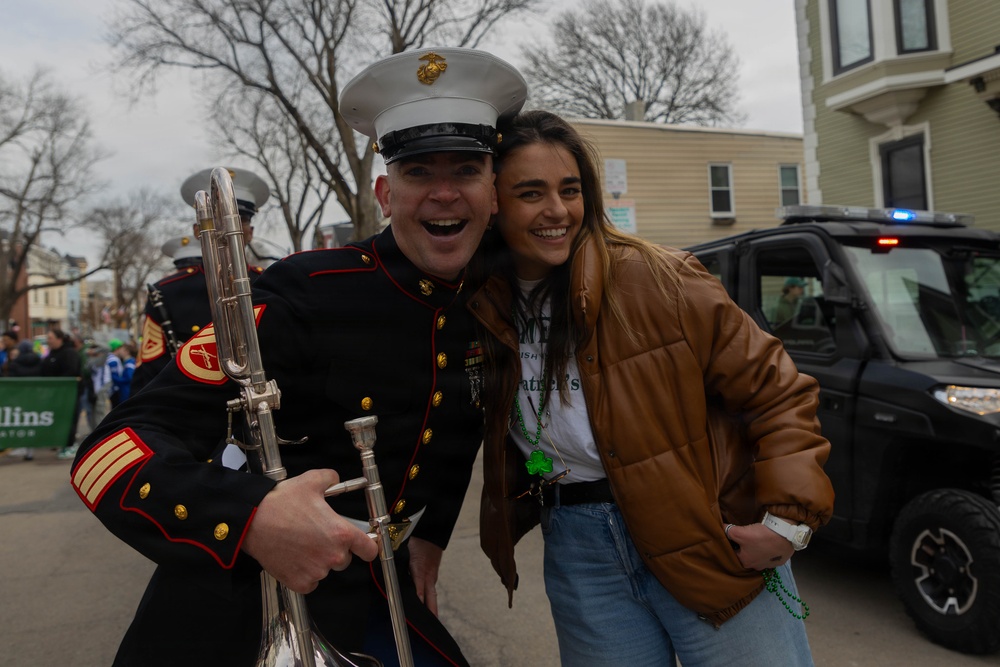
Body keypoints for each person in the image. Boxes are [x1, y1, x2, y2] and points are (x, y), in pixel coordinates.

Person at [69, 47, 526, 667]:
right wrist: (251, 517)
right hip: (244, 608)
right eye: (419, 173)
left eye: (466, 170)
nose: (444, 194)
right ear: (387, 193)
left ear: (492, 192)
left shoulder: (492, 298)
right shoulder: (302, 292)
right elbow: (109, 451)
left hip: (378, 590)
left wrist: (430, 541)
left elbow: (452, 435)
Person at [466, 110, 835, 667]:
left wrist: (788, 522)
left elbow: (777, 390)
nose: (557, 211)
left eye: (570, 190)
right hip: (577, 544)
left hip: (702, 532)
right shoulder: (481, 305)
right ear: (494, 203)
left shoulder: (658, 278)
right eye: (530, 193)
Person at [130, 167, 270, 395]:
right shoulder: (167, 293)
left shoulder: (270, 282)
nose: (229, 227)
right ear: (198, 230)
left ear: (250, 231)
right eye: (217, 219)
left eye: (239, 219)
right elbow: (150, 374)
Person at [41, 329, 83, 461]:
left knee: (69, 418)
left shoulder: (69, 353)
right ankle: (62, 443)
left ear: (59, 339)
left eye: (50, 338)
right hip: (54, 395)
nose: (48, 341)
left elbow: (71, 372)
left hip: (68, 394)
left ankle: (70, 445)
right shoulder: (51, 354)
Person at [105, 338, 136, 408]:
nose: (120, 351)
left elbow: (129, 378)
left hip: (126, 393)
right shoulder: (126, 362)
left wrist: (116, 379)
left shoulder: (129, 363)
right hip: (124, 393)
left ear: (126, 351)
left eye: (121, 349)